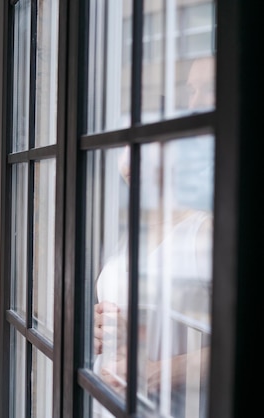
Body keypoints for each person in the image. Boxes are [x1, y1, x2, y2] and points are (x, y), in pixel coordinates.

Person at [92, 56, 215, 418]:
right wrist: (103, 330)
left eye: (143, 148)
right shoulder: (131, 235)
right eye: (124, 150)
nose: (128, 163)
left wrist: (156, 373)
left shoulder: (203, 233)